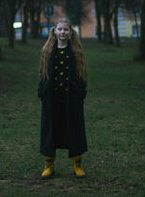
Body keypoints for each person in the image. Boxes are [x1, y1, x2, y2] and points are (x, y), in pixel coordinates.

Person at [38, 17, 88, 179]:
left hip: (71, 98)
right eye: (59, 29)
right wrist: (42, 92)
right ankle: (49, 164)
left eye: (66, 29)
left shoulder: (75, 51)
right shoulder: (47, 51)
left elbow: (81, 74)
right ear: (54, 31)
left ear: (71, 32)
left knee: (74, 129)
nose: (62, 32)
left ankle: (77, 164)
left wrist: (80, 92)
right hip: (52, 98)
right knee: (50, 129)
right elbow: (43, 73)